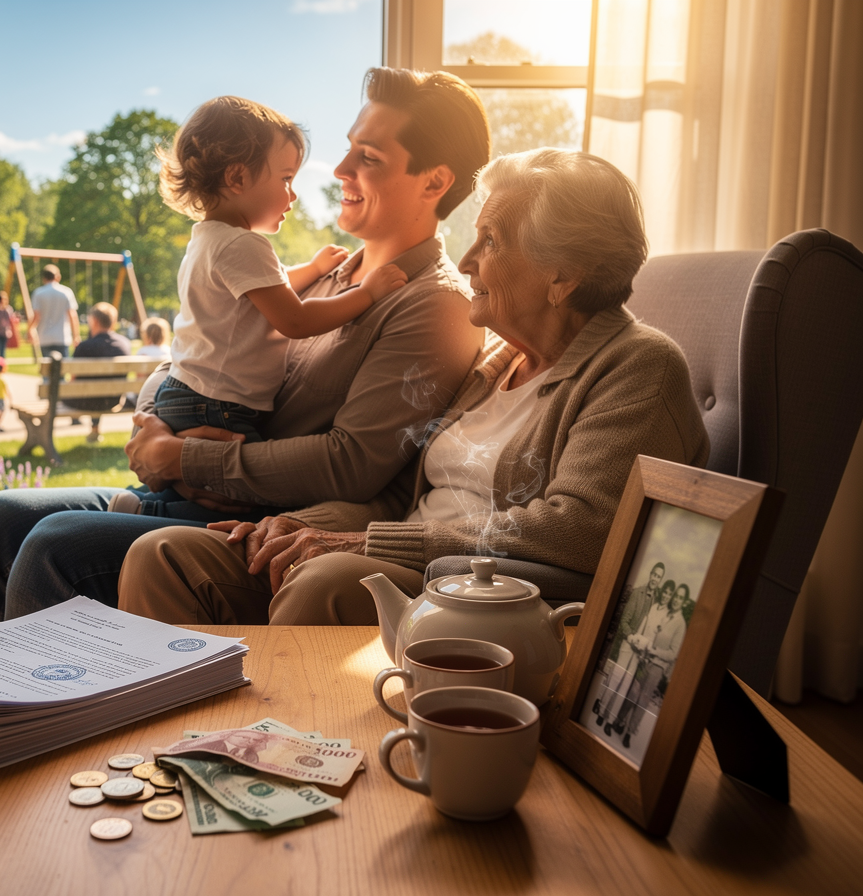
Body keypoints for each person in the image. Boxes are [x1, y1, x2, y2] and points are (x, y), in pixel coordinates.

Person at [0, 67, 491, 623]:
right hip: (187, 489)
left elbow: (352, 465)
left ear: (433, 182)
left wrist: (184, 457)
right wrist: (152, 418)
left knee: (58, 544)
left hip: (251, 518)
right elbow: (201, 347)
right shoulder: (319, 275)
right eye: (348, 148)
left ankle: (24, 707)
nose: (340, 169)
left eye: (367, 157)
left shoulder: (433, 306)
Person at [117, 147, 711, 627]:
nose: (470, 258)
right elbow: (401, 496)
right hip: (403, 557)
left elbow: (579, 530)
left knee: (325, 582)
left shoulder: (636, 367)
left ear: (564, 276)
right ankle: (178, 754)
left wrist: (372, 545)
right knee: (163, 557)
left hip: (484, 592)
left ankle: (286, 756)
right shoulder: (496, 364)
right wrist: (303, 523)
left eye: (493, 240)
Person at [145, 95, 406, 452]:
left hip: (191, 393)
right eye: (285, 179)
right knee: (241, 489)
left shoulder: (209, 238)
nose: (293, 194)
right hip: (217, 404)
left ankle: (150, 506)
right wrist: (367, 293)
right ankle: (157, 511)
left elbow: (269, 288)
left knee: (204, 485)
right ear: (237, 177)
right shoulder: (243, 245)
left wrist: (313, 269)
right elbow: (295, 320)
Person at [620, 582, 690, 748]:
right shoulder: (665, 613)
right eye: (676, 596)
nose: (676, 600)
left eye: (680, 597)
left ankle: (629, 732)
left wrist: (655, 650)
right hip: (645, 660)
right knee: (633, 692)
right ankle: (619, 720)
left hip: (657, 667)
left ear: (684, 602)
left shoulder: (681, 625)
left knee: (643, 699)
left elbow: (673, 654)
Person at [594, 562, 664, 725]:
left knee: (624, 686)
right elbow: (624, 621)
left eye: (658, 577)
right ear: (650, 575)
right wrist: (631, 636)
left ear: (660, 580)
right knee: (615, 679)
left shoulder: (656, 601)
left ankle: (608, 716)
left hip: (639, 651)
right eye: (654, 574)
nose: (655, 578)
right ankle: (601, 707)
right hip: (628, 643)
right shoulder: (638, 593)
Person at [70, 302, 132, 444]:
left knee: (90, 389)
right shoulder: (124, 344)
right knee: (98, 389)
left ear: (95, 321)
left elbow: (73, 378)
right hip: (114, 400)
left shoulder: (84, 347)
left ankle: (94, 431)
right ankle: (95, 430)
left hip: (85, 402)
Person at [28, 264, 78, 358]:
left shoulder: (38, 293)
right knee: (63, 368)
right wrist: (76, 335)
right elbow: (72, 315)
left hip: (45, 337)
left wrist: (30, 329)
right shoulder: (66, 292)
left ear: (44, 278)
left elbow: (36, 316)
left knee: (48, 369)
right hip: (62, 337)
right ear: (58, 277)